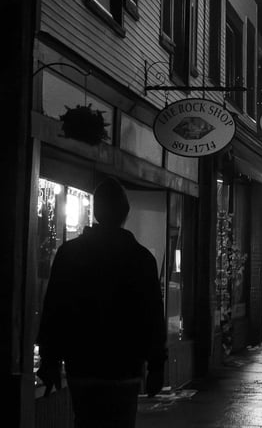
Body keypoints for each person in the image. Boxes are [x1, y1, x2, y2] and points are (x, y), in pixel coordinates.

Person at [36, 177, 167, 428]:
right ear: (125, 213)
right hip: (125, 367)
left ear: (96, 211)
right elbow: (152, 315)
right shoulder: (141, 259)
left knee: (85, 420)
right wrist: (156, 366)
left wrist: (49, 360)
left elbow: (54, 310)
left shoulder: (69, 254)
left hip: (82, 365)